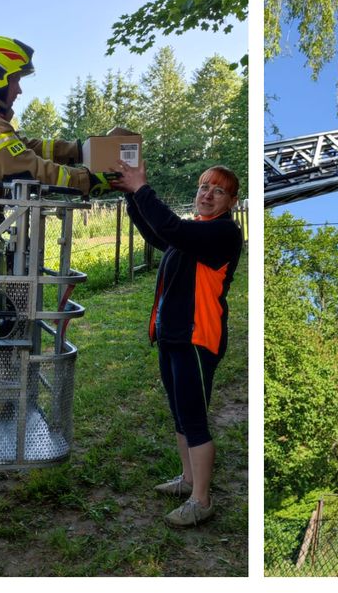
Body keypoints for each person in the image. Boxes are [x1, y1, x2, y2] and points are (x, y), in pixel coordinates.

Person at [110, 163, 243, 528]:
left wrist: (143, 189)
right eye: (203, 187)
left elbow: (171, 228)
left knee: (195, 420)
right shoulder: (196, 231)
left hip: (197, 339)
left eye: (218, 190)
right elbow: (159, 234)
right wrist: (131, 196)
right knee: (180, 415)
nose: (207, 194)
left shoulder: (224, 233)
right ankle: (187, 480)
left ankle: (201, 500)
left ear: (232, 201)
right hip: (172, 335)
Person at [0, 35, 113, 271]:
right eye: (15, 79)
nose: (19, 90)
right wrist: (88, 181)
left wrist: (78, 151)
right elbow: (26, 166)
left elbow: (26, 147)